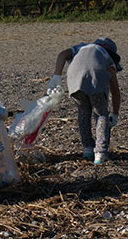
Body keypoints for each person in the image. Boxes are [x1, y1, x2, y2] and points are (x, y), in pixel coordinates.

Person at [47, 37, 121, 165]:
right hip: (95, 78)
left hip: (74, 77)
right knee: (101, 114)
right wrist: (115, 113)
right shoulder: (107, 58)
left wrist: (56, 75)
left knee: (83, 112)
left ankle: (87, 150)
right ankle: (100, 153)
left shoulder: (81, 47)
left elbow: (62, 54)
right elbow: (115, 90)